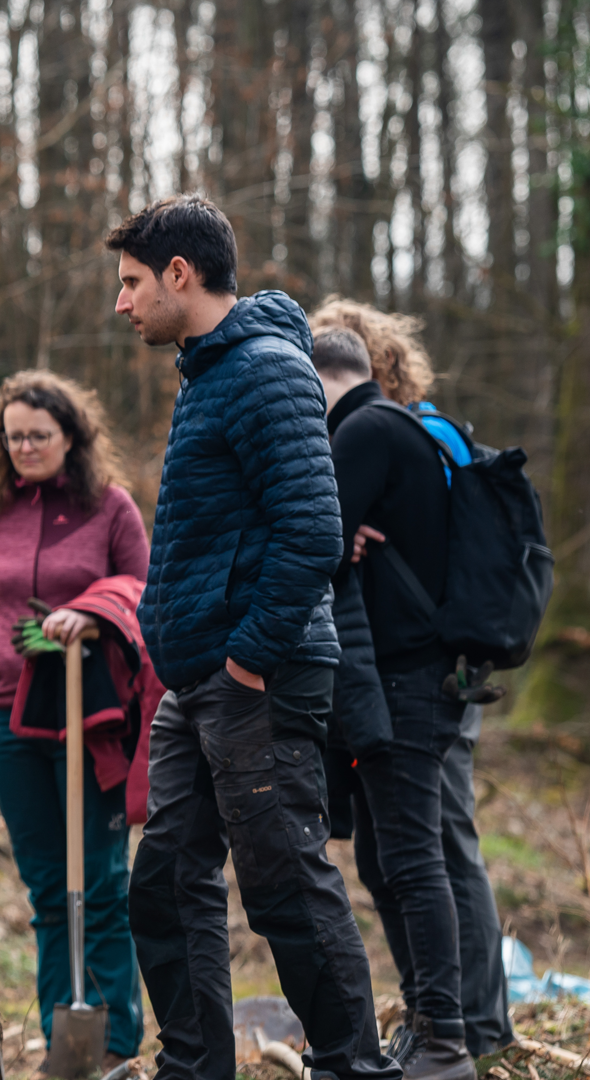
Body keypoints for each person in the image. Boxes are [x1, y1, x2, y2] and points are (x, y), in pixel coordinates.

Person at [106, 194, 398, 1080]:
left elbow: (313, 530)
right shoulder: (211, 369)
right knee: (163, 885)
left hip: (256, 674)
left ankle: (355, 1067)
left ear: (181, 275)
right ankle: (195, 1068)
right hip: (199, 679)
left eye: (131, 283)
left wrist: (245, 662)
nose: (122, 304)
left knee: (283, 887)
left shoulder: (265, 367)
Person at [308, 309, 509, 1076]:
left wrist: (334, 538)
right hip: (408, 675)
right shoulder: (402, 430)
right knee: (385, 856)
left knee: (412, 856)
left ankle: (445, 1039)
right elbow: (338, 538)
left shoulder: (364, 431)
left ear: (320, 376)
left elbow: (312, 545)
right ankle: (429, 1020)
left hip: (405, 680)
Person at [0, 370, 149, 1069]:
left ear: (71, 437)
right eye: (14, 436)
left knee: (104, 884)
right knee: (50, 891)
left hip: (92, 719)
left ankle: (114, 1043)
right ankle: (67, 1044)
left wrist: (89, 610)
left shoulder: (111, 508)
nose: (25, 446)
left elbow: (146, 591)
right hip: (11, 724)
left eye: (40, 435)